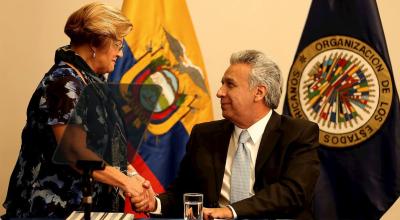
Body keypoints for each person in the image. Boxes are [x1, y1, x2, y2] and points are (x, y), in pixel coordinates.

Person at [2, 2, 152, 219]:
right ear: (94, 43)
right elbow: (74, 152)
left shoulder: (93, 84)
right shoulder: (63, 82)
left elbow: (108, 152)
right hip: (52, 211)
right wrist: (127, 183)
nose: (120, 54)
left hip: (88, 210)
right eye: (118, 44)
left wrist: (136, 179)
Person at [132, 50, 320, 219]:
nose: (220, 92)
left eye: (230, 85)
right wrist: (154, 203)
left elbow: (293, 192)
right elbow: (184, 193)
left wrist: (231, 211)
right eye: (223, 84)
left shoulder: (298, 133)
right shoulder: (204, 135)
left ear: (259, 92)